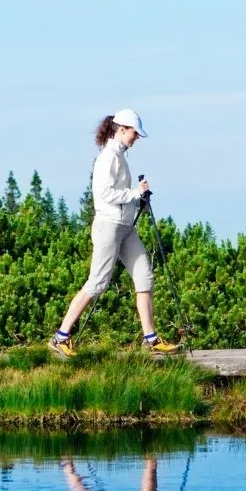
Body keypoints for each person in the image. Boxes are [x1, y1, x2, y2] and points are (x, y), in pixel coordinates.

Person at [50, 109, 179, 357]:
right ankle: (61, 336)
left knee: (145, 276)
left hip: (126, 227)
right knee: (97, 282)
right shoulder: (108, 157)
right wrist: (134, 193)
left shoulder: (119, 156)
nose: (136, 138)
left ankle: (150, 338)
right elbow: (104, 195)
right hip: (108, 227)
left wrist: (137, 201)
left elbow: (119, 195)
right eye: (134, 133)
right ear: (121, 129)